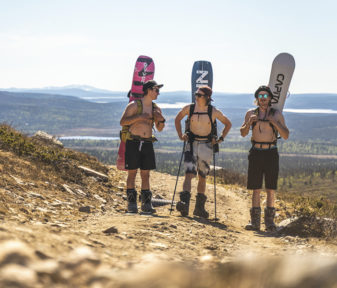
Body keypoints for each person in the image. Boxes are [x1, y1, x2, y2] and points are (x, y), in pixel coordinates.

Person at [174, 85, 232, 218]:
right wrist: (180, 134)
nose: (196, 97)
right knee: (189, 173)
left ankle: (198, 208)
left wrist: (221, 138)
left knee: (202, 175)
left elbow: (228, 123)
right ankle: (185, 205)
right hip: (192, 144)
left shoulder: (213, 111)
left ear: (207, 98)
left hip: (206, 145)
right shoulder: (190, 108)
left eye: (199, 95)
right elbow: (177, 119)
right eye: (196, 94)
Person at [240, 85, 289, 231]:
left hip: (271, 153)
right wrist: (249, 123)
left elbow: (286, 135)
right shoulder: (250, 113)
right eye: (260, 96)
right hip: (255, 152)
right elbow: (243, 133)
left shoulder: (277, 114)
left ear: (269, 98)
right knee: (255, 188)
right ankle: (255, 223)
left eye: (265, 96)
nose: (263, 99)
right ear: (257, 99)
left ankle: (269, 223)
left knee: (270, 188)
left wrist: (274, 122)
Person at [120, 80, 166, 214]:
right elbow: (122, 122)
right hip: (133, 141)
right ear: (149, 90)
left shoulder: (156, 108)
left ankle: (146, 204)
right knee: (132, 173)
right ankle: (132, 204)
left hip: (147, 142)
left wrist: (160, 119)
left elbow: (160, 128)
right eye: (156, 90)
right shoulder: (133, 106)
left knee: (146, 174)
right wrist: (139, 117)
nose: (158, 93)